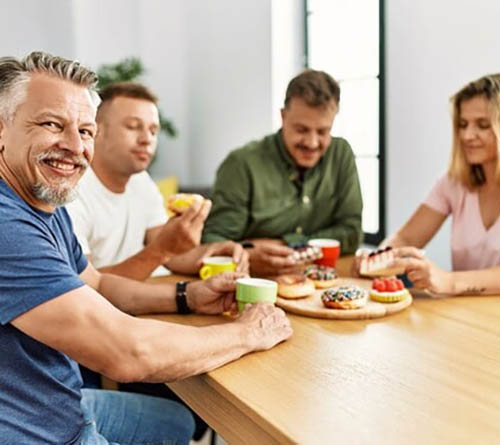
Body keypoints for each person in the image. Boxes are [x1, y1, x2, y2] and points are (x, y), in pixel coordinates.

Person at [0, 51, 292, 444]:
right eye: (52, 124)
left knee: (176, 423)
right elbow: (126, 352)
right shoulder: (7, 224)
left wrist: (189, 296)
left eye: (85, 131)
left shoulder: (44, 205)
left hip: (55, 399)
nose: (75, 145)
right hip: (40, 430)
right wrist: (248, 333)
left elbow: (98, 285)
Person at [353, 73, 500, 296]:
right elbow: (407, 239)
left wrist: (449, 281)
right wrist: (378, 258)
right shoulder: (453, 182)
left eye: (483, 125)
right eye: (463, 124)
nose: (468, 135)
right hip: (464, 313)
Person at [66, 82, 248, 281]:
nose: (147, 139)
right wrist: (161, 250)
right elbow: (84, 286)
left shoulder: (141, 181)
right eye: (133, 127)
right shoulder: (71, 191)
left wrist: (215, 252)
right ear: (96, 130)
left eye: (153, 131)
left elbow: (173, 257)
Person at [202, 69, 363, 276]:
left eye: (323, 131)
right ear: (283, 116)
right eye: (302, 130)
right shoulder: (241, 164)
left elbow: (351, 233)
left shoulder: (341, 154)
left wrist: (288, 244)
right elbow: (213, 241)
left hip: (325, 282)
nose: (312, 143)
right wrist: (249, 255)